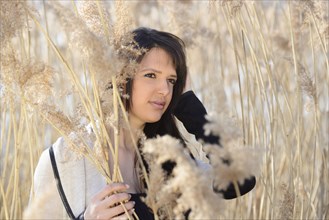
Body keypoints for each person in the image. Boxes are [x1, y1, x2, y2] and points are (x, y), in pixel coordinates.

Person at [30, 27, 256, 220]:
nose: (164, 90)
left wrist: (187, 104)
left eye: (171, 80)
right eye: (151, 75)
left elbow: (240, 180)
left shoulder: (166, 155)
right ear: (121, 78)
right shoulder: (65, 158)